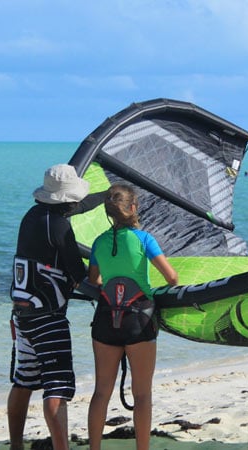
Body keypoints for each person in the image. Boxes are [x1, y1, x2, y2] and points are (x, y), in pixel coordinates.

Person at [87, 183, 179, 450]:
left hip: (106, 319)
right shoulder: (145, 239)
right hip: (139, 321)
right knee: (141, 394)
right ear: (133, 208)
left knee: (101, 392)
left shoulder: (99, 242)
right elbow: (172, 277)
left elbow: (95, 280)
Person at [7, 164, 90, 450]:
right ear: (69, 199)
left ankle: (16, 445)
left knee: (24, 380)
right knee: (57, 385)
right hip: (48, 317)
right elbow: (80, 276)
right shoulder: (59, 225)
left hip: (22, 312)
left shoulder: (31, 217)